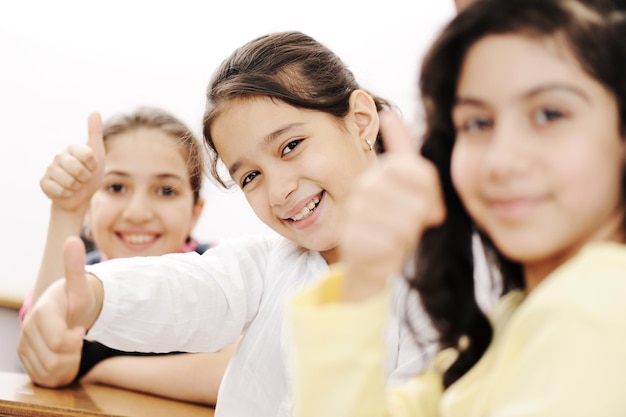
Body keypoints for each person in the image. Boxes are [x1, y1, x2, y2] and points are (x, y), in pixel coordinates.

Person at [17, 31, 448, 417]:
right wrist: (91, 295)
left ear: (360, 121)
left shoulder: (449, 278)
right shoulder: (266, 265)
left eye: (291, 145)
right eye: (250, 177)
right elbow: (187, 288)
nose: (278, 190)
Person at [287, 0, 626, 415]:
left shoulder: (598, 303)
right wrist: (361, 281)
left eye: (549, 114)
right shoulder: (509, 320)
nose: (501, 160)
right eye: (477, 123)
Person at [20, 107, 235, 405]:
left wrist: (100, 370)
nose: (137, 213)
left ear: (194, 212)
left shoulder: (222, 268)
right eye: (116, 187)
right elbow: (42, 359)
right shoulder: (75, 276)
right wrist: (67, 210)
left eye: (165, 191)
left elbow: (237, 376)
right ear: (89, 206)